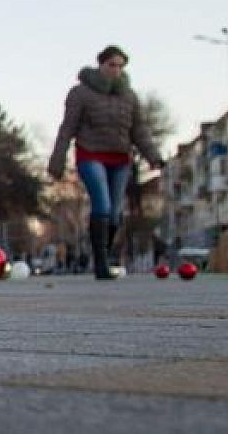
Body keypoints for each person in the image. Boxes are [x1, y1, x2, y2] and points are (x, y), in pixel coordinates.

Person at [48, 45, 166, 280]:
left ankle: (104, 252)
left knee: (114, 213)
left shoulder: (129, 96)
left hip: (121, 159)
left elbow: (139, 130)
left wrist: (154, 157)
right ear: (101, 64)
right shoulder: (80, 93)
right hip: (90, 155)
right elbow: (67, 128)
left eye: (121, 66)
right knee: (101, 204)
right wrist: (57, 161)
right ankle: (101, 265)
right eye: (112, 64)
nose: (116, 70)